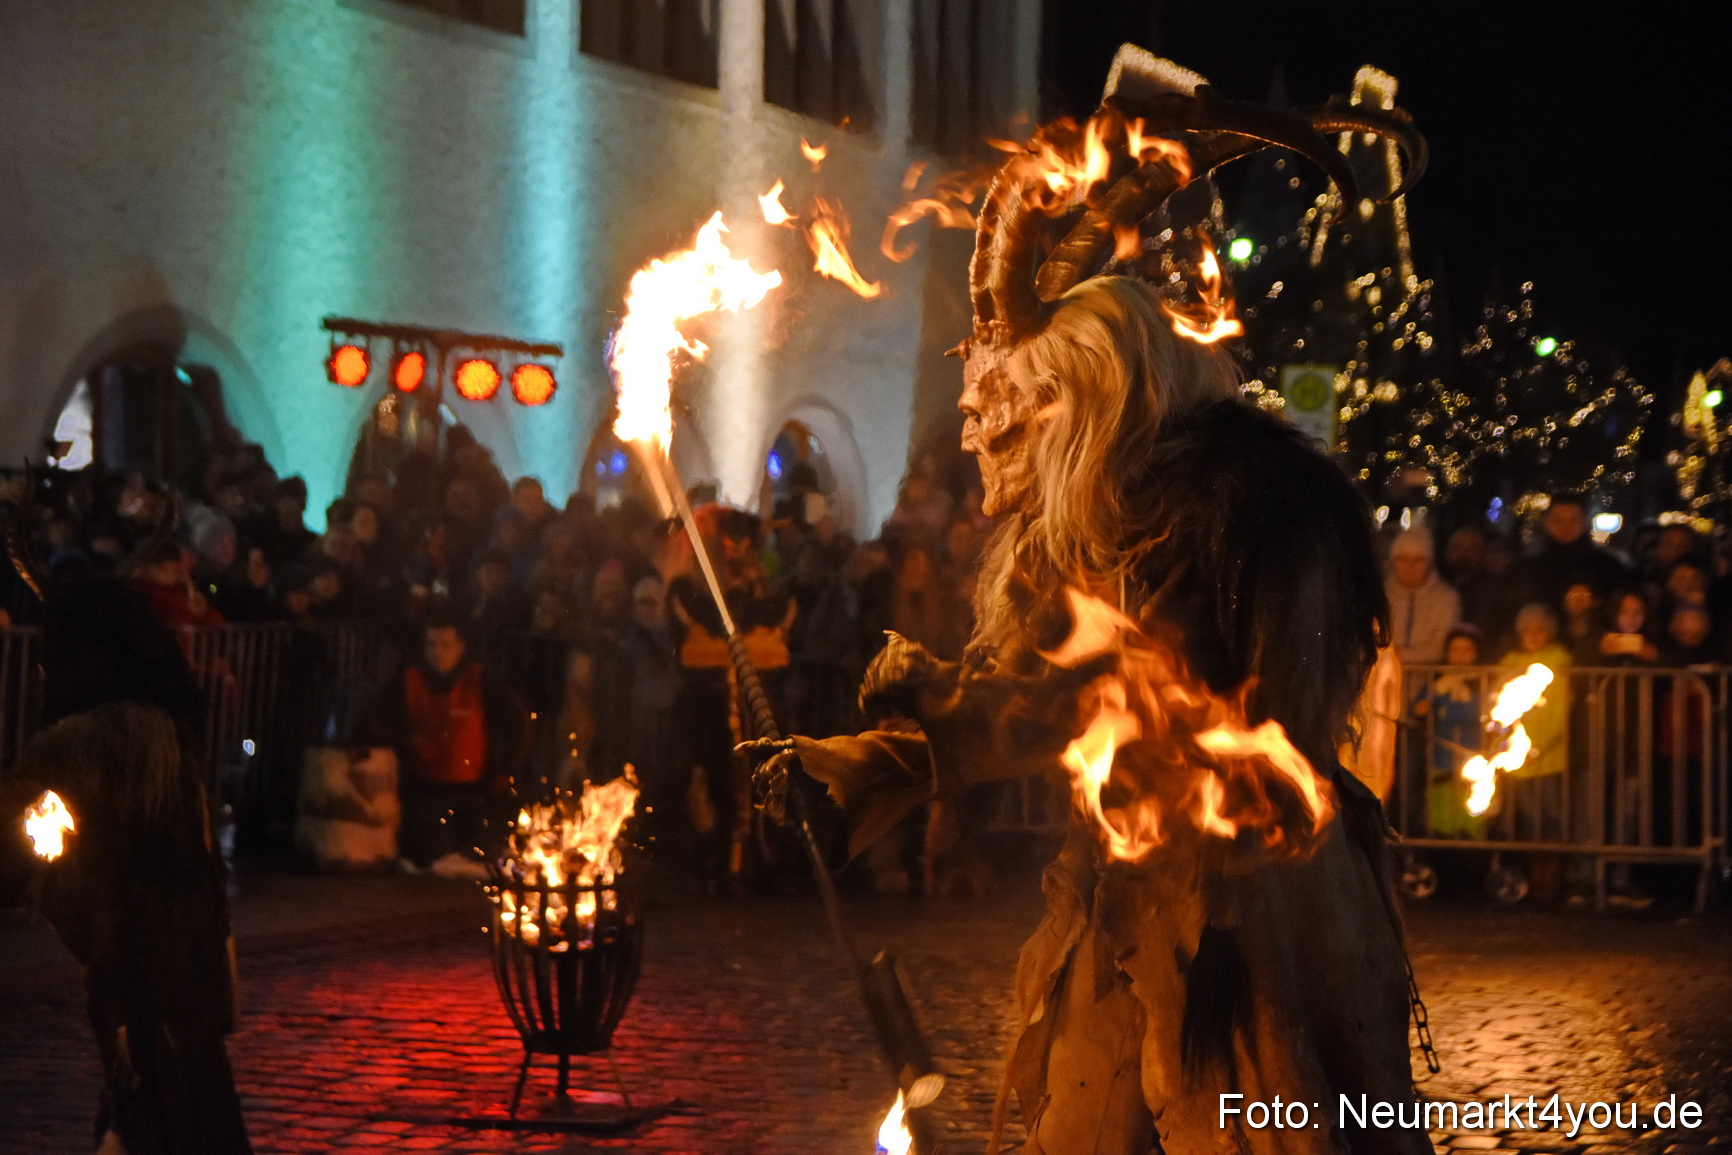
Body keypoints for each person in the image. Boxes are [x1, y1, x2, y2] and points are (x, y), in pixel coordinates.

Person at [744, 54, 1428, 1155]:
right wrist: (869, 760)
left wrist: (913, 733)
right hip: (1135, 896)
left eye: (1001, 410)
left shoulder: (1209, 515)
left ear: (1070, 401)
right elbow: (1051, 693)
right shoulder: (1112, 521)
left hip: (1248, 911)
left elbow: (1112, 698)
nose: (976, 439)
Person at [365, 614, 530, 878]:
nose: (437, 652)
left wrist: (506, 770)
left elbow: (520, 725)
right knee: (434, 858)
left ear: (460, 647)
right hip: (424, 792)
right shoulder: (406, 681)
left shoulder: (481, 681)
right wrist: (405, 742)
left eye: (445, 645)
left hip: (473, 792)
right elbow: (372, 721)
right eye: (431, 644)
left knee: (478, 857)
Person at [1522, 492, 1627, 608]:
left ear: (1585, 522)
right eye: (1558, 520)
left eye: (1574, 521)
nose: (1565, 527)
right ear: (1546, 522)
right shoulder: (1531, 569)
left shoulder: (1608, 568)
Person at [1384, 524, 1461, 665]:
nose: (1410, 566)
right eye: (1403, 559)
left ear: (1429, 563)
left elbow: (1442, 646)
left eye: (1419, 560)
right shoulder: (1381, 597)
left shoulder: (1446, 598)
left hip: (1430, 676)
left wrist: (1398, 656)